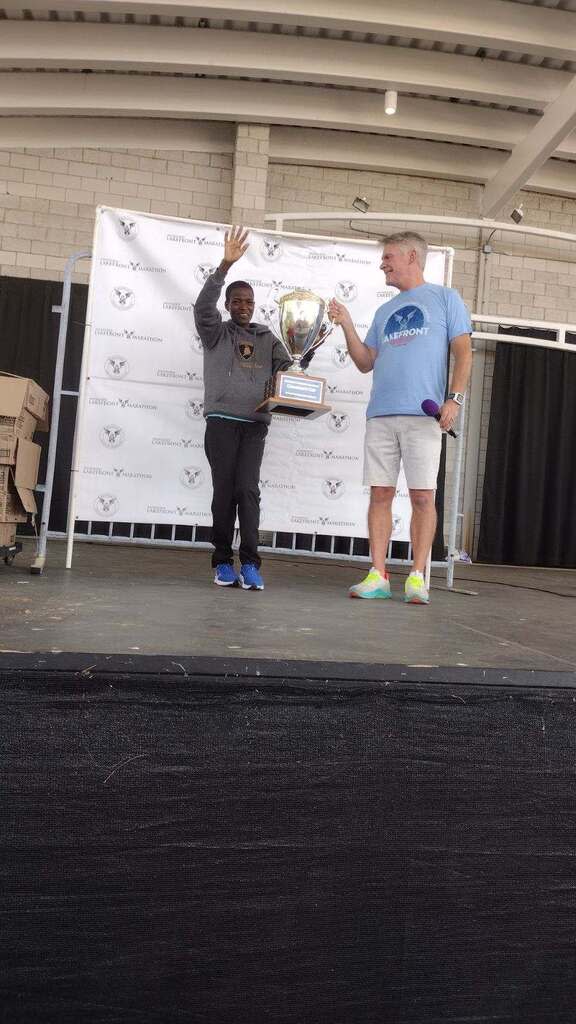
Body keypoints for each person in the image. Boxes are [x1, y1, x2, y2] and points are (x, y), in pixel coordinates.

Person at [328, 231, 472, 604]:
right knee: (380, 493)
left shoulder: (445, 298)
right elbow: (364, 363)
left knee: (424, 496)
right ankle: (377, 574)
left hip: (423, 416)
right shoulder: (383, 311)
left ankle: (417, 576)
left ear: (412, 256)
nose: (383, 264)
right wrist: (346, 323)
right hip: (381, 414)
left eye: (389, 257)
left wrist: (453, 399)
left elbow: (464, 351)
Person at [193, 225, 292, 591]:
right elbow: (202, 306)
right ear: (228, 304)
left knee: (247, 491)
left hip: (254, 425)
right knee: (225, 491)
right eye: (237, 301)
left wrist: (298, 363)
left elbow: (286, 369)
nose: (244, 307)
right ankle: (222, 561)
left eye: (249, 302)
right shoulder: (215, 332)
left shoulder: (267, 337)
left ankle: (250, 563)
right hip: (220, 421)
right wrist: (224, 266)